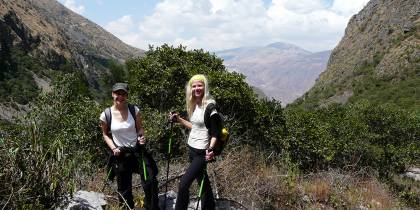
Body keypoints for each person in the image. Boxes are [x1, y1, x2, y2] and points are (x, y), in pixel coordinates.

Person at [100, 83, 159, 210]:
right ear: (112, 94)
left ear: (126, 96)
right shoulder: (106, 114)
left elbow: (140, 128)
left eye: (123, 94)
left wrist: (142, 137)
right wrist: (113, 148)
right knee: (124, 189)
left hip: (137, 151)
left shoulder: (134, 110)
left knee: (150, 180)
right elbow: (105, 134)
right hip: (120, 154)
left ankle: (152, 207)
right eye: (117, 93)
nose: (120, 97)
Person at [170, 74, 217, 210]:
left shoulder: (210, 106)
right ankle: (209, 207)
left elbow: (215, 133)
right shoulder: (195, 104)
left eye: (199, 85)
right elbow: (194, 127)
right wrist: (179, 119)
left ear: (204, 87)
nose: (197, 88)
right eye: (194, 86)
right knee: (202, 180)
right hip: (192, 149)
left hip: (202, 152)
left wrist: (210, 149)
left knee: (184, 183)